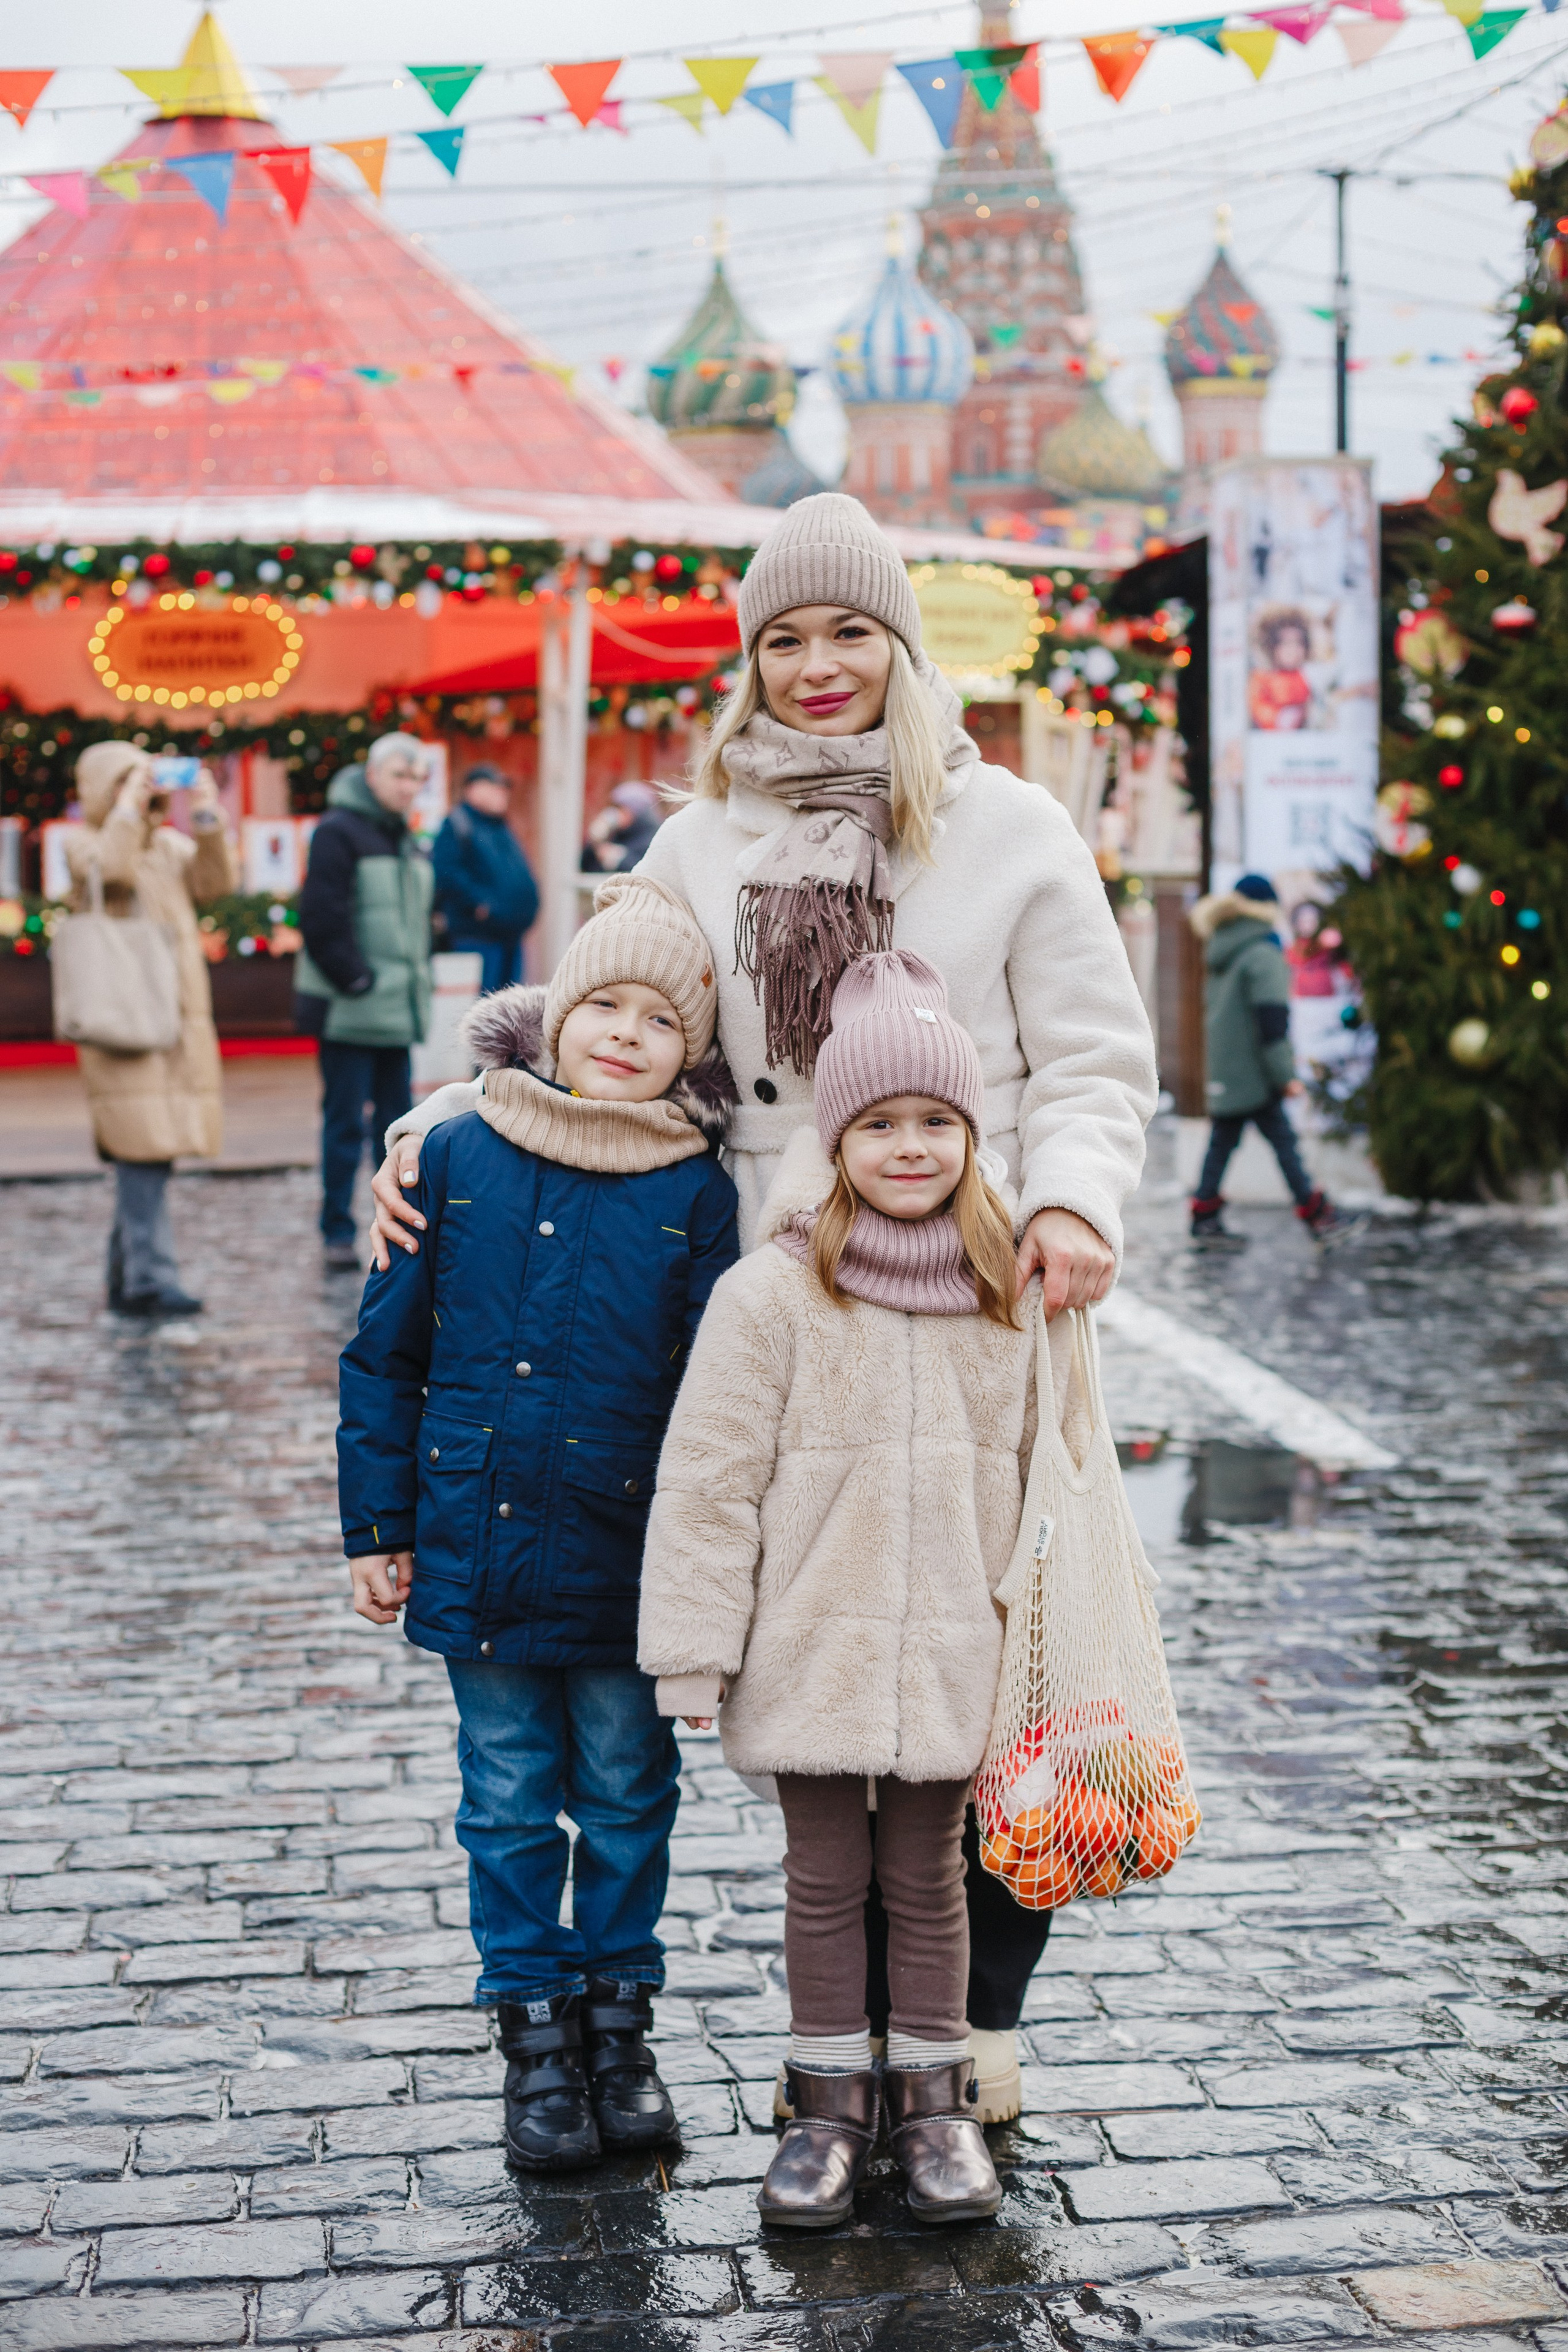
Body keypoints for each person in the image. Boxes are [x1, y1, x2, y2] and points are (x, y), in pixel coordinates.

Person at [367, 492, 1158, 2124]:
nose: (817, 667)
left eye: (847, 632)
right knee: (815, 1662)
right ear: (749, 659)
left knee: (987, 1655)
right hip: (762, 1305)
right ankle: (835, 2031)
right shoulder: (703, 835)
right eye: (784, 639)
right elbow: (611, 998)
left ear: (900, 642)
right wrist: (449, 1113)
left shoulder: (1004, 828)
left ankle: (971, 2026)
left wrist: (1073, 1201)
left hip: (982, 1287)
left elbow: (1094, 1057)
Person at [336, 876, 739, 2176]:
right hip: (481, 1544)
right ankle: (533, 2037)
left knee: (626, 1795)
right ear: (554, 1016)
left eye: (657, 1021)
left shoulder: (697, 1189)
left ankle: (618, 2027)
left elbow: (721, 1396)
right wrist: (375, 1528)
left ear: (694, 1052)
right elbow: (383, 1360)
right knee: (507, 1799)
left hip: (629, 1561)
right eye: (601, 1005)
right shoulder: (455, 1155)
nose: (623, 1035)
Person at [640, 952, 1041, 2228]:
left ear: (968, 1138)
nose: (910, 1148)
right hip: (806, 1644)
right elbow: (706, 1482)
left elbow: (1048, 1491)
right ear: (836, 1141)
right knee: (820, 1874)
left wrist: (1033, 1651)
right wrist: (692, 1656)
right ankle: (824, 2105)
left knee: (928, 1874)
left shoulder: (1004, 1299)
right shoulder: (770, 1296)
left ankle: (934, 2102)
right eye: (879, 1125)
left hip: (949, 1652)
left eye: (935, 1124)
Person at [65, 742, 236, 1317]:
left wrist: (207, 814)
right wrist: (127, 812)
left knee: (153, 1149)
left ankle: (128, 1274)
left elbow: (216, 883)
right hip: (123, 1019)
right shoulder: (84, 843)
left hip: (173, 1021)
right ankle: (150, 1279)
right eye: (124, 782)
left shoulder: (167, 846)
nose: (141, 792)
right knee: (139, 1149)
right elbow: (109, 872)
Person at [294, 732, 434, 1270]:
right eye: (400, 775)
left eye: (416, 778)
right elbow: (321, 914)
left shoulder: (404, 837)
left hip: (396, 1009)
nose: (408, 787)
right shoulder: (338, 831)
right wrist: (356, 980)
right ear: (372, 776)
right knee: (345, 1122)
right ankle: (335, 1229)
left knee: (399, 1126)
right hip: (353, 1009)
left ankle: (396, 1223)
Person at [1188, 873, 1348, 1246]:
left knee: (1225, 1144)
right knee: (1281, 1143)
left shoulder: (1222, 948)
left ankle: (1205, 1216)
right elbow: (1272, 1022)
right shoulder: (1262, 953)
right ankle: (1317, 1215)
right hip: (1257, 1073)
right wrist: (1285, 1074)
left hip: (1231, 1070)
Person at [432, 763, 539, 994]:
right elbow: (446, 873)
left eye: (502, 788)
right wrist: (481, 906)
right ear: (472, 789)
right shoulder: (458, 825)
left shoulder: (500, 826)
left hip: (510, 936)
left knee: (508, 1008)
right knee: (482, 1009)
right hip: (478, 937)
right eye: (493, 786)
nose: (501, 793)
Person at [581, 781, 663, 877]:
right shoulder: (617, 834)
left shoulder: (655, 839)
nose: (617, 814)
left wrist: (620, 859)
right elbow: (585, 866)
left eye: (621, 809)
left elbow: (649, 873)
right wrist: (595, 841)